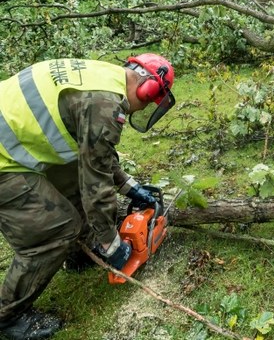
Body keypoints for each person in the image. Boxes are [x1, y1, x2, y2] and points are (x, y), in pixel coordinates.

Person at [0, 54, 176, 339]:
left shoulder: (103, 77)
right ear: (148, 90)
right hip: (3, 159)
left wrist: (130, 187)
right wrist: (111, 242)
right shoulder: (106, 104)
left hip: (12, 138)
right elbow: (96, 182)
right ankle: (8, 316)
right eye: (150, 101)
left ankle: (77, 254)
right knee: (54, 231)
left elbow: (94, 155)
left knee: (72, 184)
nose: (143, 107)